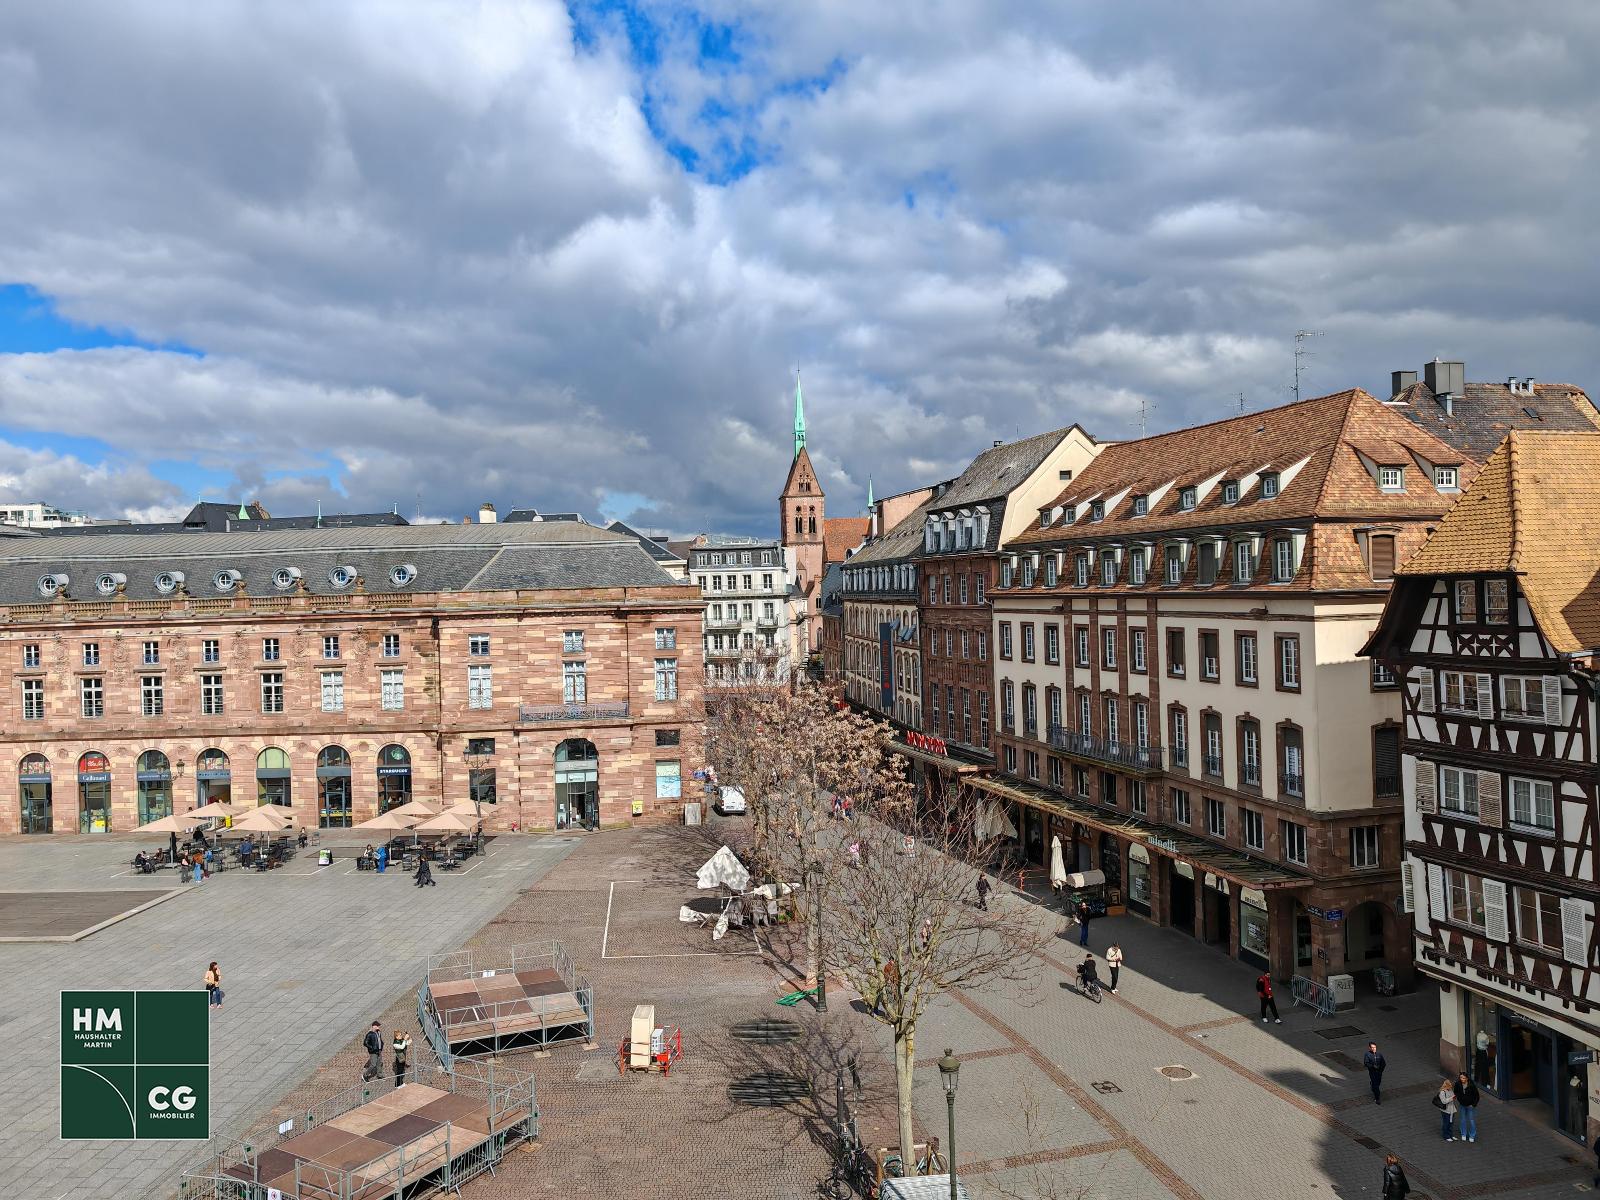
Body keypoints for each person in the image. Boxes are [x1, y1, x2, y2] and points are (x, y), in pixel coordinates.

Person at [1454, 1071, 1480, 1142]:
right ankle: (1463, 1134)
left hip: (1470, 1105)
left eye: (1463, 1078)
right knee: (1463, 1120)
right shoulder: (1458, 1084)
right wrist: (1459, 1099)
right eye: (1461, 1077)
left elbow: (1476, 1096)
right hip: (1462, 1104)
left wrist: (1473, 1104)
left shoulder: (1471, 1085)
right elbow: (1456, 1092)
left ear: (1467, 1078)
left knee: (1471, 1120)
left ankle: (1472, 1135)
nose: (1462, 1079)